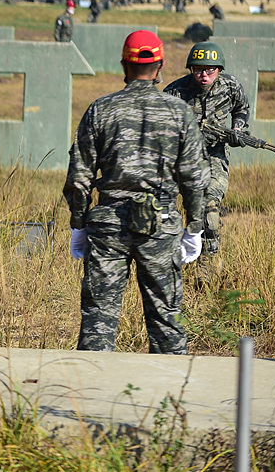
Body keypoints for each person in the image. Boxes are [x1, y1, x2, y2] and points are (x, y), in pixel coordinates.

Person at [64, 30, 208, 354]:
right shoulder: (179, 112)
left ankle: (89, 398)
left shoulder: (101, 109)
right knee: (166, 319)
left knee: (98, 319)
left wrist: (78, 224)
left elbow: (79, 176)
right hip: (161, 225)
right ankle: (170, 400)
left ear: (123, 66)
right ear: (160, 67)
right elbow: (194, 177)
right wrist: (195, 227)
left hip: (108, 225)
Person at [163, 42, 249, 277]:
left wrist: (237, 130)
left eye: (210, 70)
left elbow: (242, 108)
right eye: (198, 69)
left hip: (214, 155)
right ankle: (172, 262)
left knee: (210, 209)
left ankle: (209, 266)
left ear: (219, 70)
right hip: (181, 160)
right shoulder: (174, 92)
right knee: (171, 212)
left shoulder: (231, 86)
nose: (204, 75)